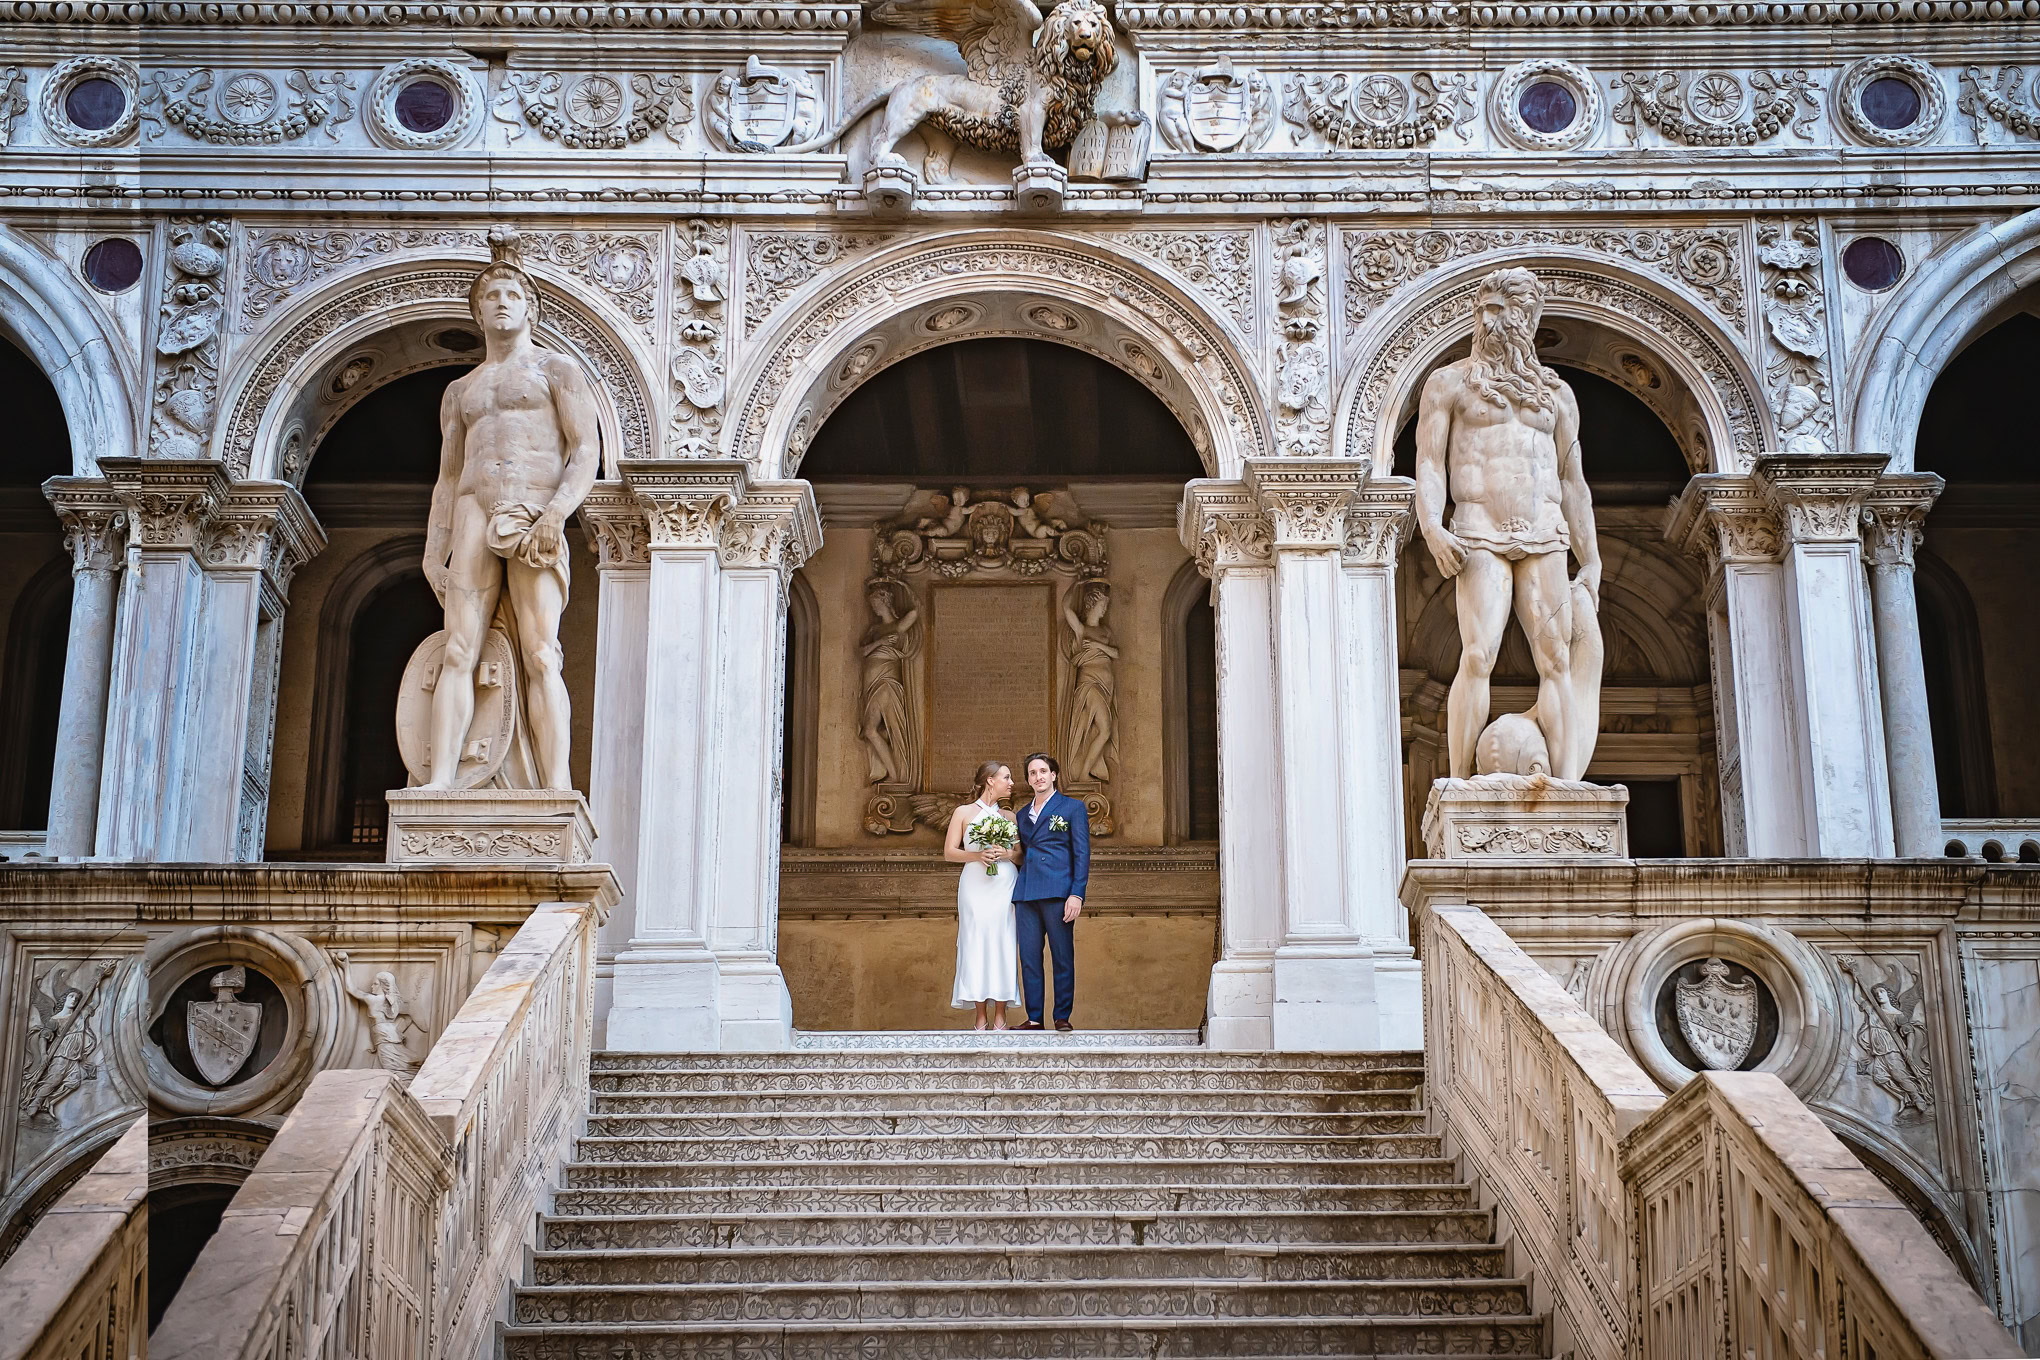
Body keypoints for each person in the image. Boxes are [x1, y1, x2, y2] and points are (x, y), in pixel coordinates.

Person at [421, 229, 601, 791]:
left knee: (542, 653)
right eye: (491, 296)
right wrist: (433, 551)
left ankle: (554, 787)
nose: (501, 303)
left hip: (532, 512)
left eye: (512, 296)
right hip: (475, 511)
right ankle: (441, 780)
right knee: (458, 650)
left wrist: (556, 512)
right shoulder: (461, 390)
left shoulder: (556, 371)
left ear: (531, 309)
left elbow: (585, 451)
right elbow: (448, 477)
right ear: (477, 312)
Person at [1413, 266, 1603, 782]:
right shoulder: (1449, 384)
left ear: (1528, 319)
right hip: (1477, 531)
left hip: (1544, 532)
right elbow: (1429, 463)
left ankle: (1566, 788)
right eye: (1484, 310)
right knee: (1477, 656)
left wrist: (1591, 559)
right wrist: (1432, 524)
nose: (1489, 322)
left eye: (1501, 311)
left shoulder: (1556, 395)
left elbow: (1572, 482)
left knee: (1556, 659)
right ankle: (1458, 784)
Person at [1010, 752, 1088, 1031]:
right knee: (1029, 958)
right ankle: (1033, 1018)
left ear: (1053, 775)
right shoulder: (1021, 814)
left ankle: (1062, 1016)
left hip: (1058, 891)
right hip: (1027, 893)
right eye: (1032, 773)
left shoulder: (1072, 808)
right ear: (1028, 779)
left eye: (1043, 771)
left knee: (1062, 956)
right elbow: (1022, 854)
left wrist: (1076, 894)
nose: (1038, 777)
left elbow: (1081, 854)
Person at [943, 760, 1021, 1031]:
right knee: (974, 941)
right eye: (1006, 777)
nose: (1011, 783)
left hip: (1004, 884)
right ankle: (980, 1016)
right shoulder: (963, 812)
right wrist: (978, 855)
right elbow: (949, 852)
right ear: (990, 780)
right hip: (975, 885)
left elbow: (1021, 853)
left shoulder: (1011, 818)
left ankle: (1000, 1014)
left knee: (1003, 941)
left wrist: (1007, 853)